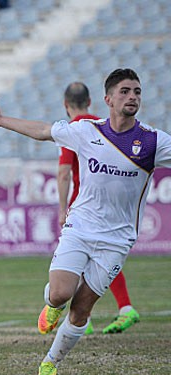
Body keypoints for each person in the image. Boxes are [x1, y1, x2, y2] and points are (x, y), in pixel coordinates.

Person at [0, 68, 171, 375]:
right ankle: (51, 303)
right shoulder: (87, 131)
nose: (132, 96)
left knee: (81, 310)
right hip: (80, 227)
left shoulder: (153, 142)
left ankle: (49, 364)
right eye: (125, 91)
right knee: (62, 293)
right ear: (107, 99)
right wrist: (1, 120)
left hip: (116, 242)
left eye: (137, 91)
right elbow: (42, 130)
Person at [57, 82, 140, 335]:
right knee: (105, 259)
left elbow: (63, 174)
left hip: (86, 205)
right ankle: (124, 308)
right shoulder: (104, 124)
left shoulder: (76, 129)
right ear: (92, 102)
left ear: (65, 105)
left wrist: (62, 209)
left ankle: (84, 318)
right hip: (113, 204)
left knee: (77, 260)